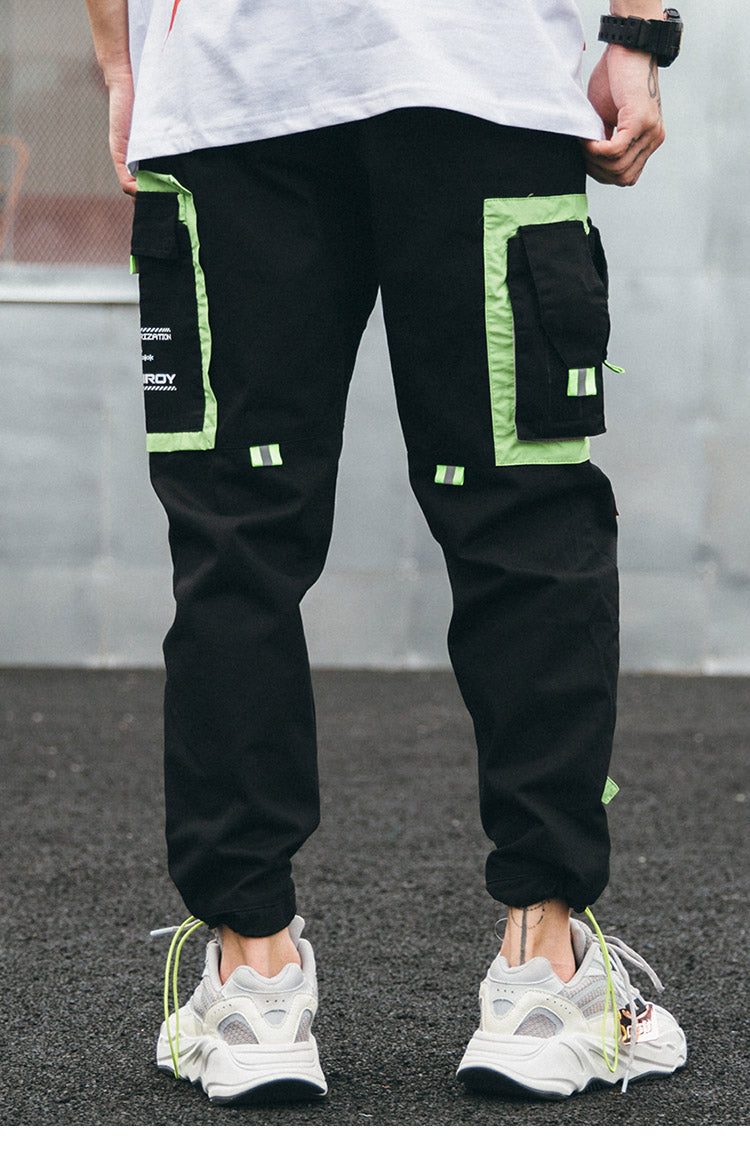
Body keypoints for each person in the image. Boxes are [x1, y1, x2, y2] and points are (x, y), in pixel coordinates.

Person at [84, 0, 687, 1103]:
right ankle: (545, 978)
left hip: (230, 88)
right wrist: (638, 32)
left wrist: (121, 60)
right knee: (520, 516)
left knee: (237, 536)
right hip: (483, 71)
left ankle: (254, 984)